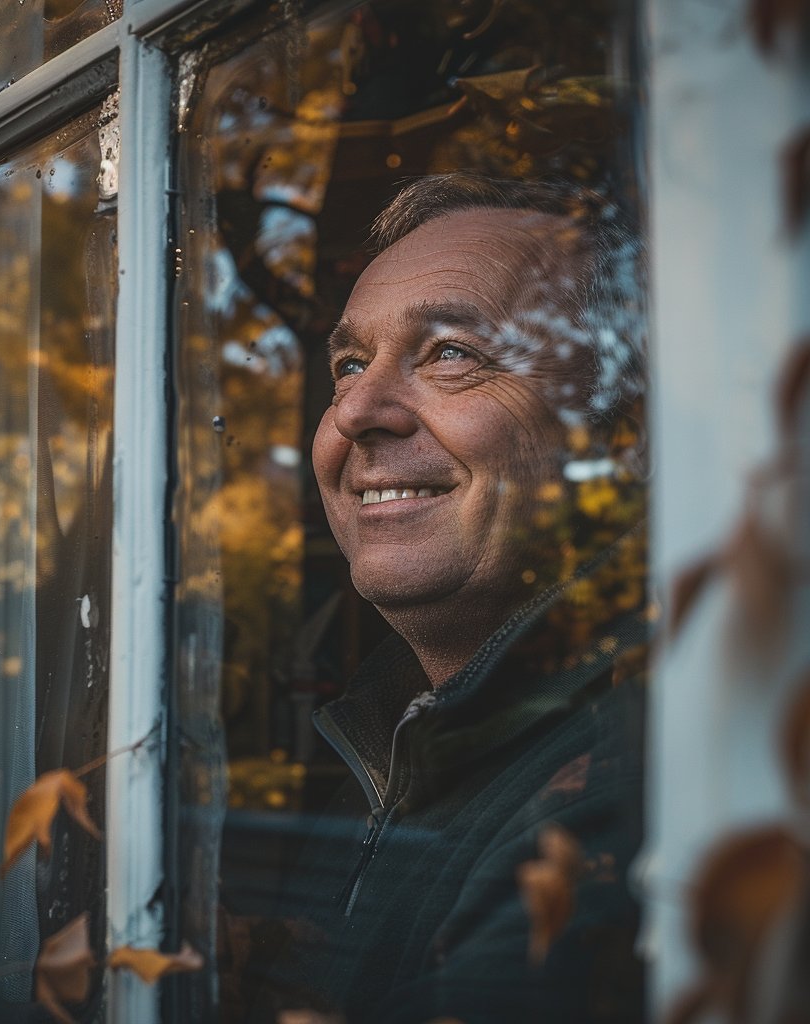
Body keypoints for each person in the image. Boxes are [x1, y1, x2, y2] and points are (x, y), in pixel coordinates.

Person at [237, 173, 649, 1024]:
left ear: (626, 437)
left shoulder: (627, 781)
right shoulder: (389, 730)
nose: (355, 410)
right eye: (349, 364)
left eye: (451, 352)